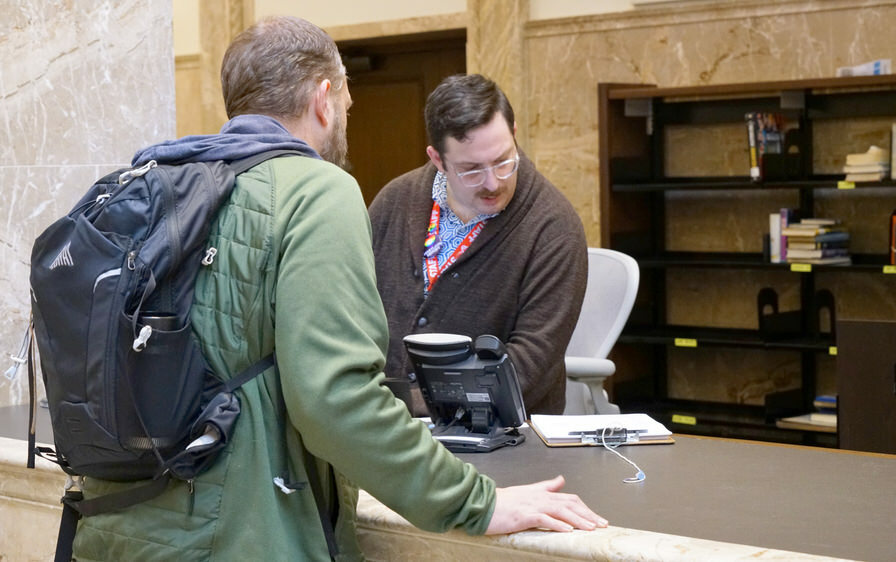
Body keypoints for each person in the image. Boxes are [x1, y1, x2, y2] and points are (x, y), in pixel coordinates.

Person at [72, 17, 605, 561]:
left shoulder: (154, 184)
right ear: (325, 98)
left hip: (120, 522)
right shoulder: (316, 191)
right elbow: (335, 399)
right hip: (239, 530)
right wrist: (474, 502)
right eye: (348, 98)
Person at [370, 74, 588, 417]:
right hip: (388, 432)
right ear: (437, 160)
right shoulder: (394, 202)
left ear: (514, 135)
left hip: (503, 438)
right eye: (471, 170)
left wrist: (409, 404)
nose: (493, 183)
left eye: (503, 160)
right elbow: (355, 309)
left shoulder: (554, 228)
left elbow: (531, 365)